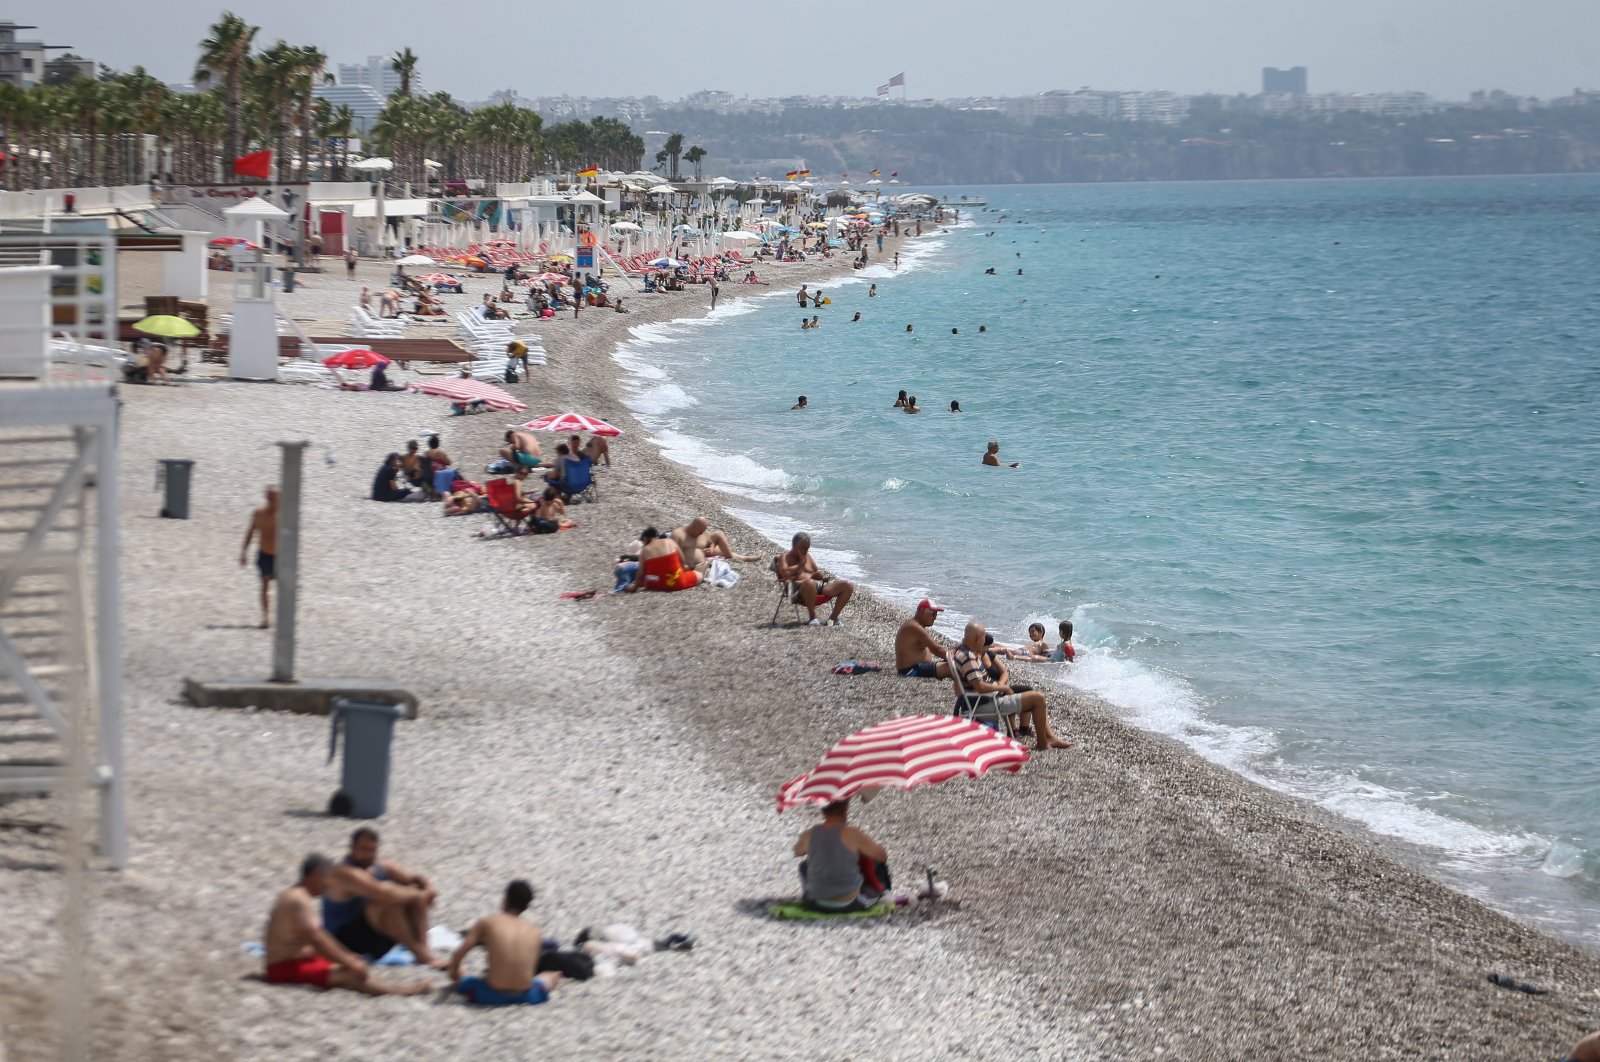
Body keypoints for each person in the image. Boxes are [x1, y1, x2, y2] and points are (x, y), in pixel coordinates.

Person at [262, 854, 427, 996]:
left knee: (347, 961)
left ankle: (392, 987)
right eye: (324, 879)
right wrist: (350, 962)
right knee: (351, 974)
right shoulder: (300, 900)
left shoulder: (290, 894)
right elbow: (317, 938)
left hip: (286, 961)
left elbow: (310, 939)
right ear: (314, 876)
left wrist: (346, 956)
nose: (326, 885)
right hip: (283, 969)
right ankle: (400, 991)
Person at [322, 828, 446, 968]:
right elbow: (382, 892)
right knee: (385, 901)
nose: (368, 854)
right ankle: (421, 953)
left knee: (412, 894)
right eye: (363, 849)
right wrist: (421, 894)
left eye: (372, 850)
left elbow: (414, 879)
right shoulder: (344, 873)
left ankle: (424, 951)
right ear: (352, 849)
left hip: (374, 938)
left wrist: (428, 888)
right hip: (344, 943)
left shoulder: (381, 866)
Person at [952, 622, 1071, 750]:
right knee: (1038, 698)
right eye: (983, 637)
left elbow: (988, 679)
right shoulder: (968, 657)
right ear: (977, 638)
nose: (985, 640)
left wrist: (1000, 687)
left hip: (984, 698)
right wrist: (1003, 688)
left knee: (1031, 692)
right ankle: (1043, 744)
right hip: (984, 703)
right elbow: (980, 687)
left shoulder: (965, 652)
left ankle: (1048, 737)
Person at [447, 880, 561, 1007]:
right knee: (547, 977)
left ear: (505, 899)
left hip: (490, 994)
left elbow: (458, 956)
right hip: (527, 995)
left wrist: (455, 975)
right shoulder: (535, 933)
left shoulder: (487, 922)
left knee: (465, 977)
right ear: (526, 906)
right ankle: (554, 977)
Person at [793, 799, 889, 912]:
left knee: (804, 865)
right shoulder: (852, 834)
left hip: (816, 904)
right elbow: (882, 856)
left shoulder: (809, 834)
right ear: (845, 809)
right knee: (875, 874)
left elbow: (797, 851)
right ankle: (881, 893)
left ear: (823, 810)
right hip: (849, 904)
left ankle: (815, 892)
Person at [776, 531, 854, 627]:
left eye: (807, 548)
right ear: (795, 546)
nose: (805, 551)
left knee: (847, 586)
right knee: (810, 582)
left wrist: (820, 575)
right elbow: (785, 574)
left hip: (816, 586)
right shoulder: (784, 557)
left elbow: (816, 571)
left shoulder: (807, 556)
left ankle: (832, 619)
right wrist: (800, 564)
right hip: (797, 590)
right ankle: (812, 618)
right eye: (803, 548)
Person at [239, 486, 279, 629]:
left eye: (275, 498)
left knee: (285, 588)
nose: (273, 500)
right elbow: (251, 531)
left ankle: (284, 617)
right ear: (266, 498)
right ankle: (266, 617)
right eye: (270, 497)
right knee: (264, 584)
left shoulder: (285, 515)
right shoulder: (259, 514)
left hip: (281, 557)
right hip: (264, 554)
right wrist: (244, 552)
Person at [629, 528, 700, 592]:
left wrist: (634, 587)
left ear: (645, 539)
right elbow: (682, 560)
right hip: (677, 583)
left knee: (648, 579)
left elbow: (641, 573)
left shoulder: (644, 551)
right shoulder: (669, 542)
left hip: (655, 585)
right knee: (699, 574)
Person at [673, 516, 760, 568]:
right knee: (723, 552)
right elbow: (673, 552)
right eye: (700, 531)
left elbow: (710, 541)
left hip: (706, 551)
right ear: (693, 527)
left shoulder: (700, 533)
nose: (701, 533)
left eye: (702, 531)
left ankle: (742, 557)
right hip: (694, 557)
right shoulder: (679, 534)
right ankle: (744, 558)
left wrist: (711, 548)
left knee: (718, 534)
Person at [895, 599, 951, 678]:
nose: (935, 618)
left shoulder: (915, 625)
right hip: (911, 670)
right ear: (921, 611)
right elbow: (937, 650)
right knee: (953, 668)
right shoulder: (915, 627)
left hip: (916, 667)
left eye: (936, 614)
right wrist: (958, 657)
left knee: (955, 664)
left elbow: (938, 649)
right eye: (933, 614)